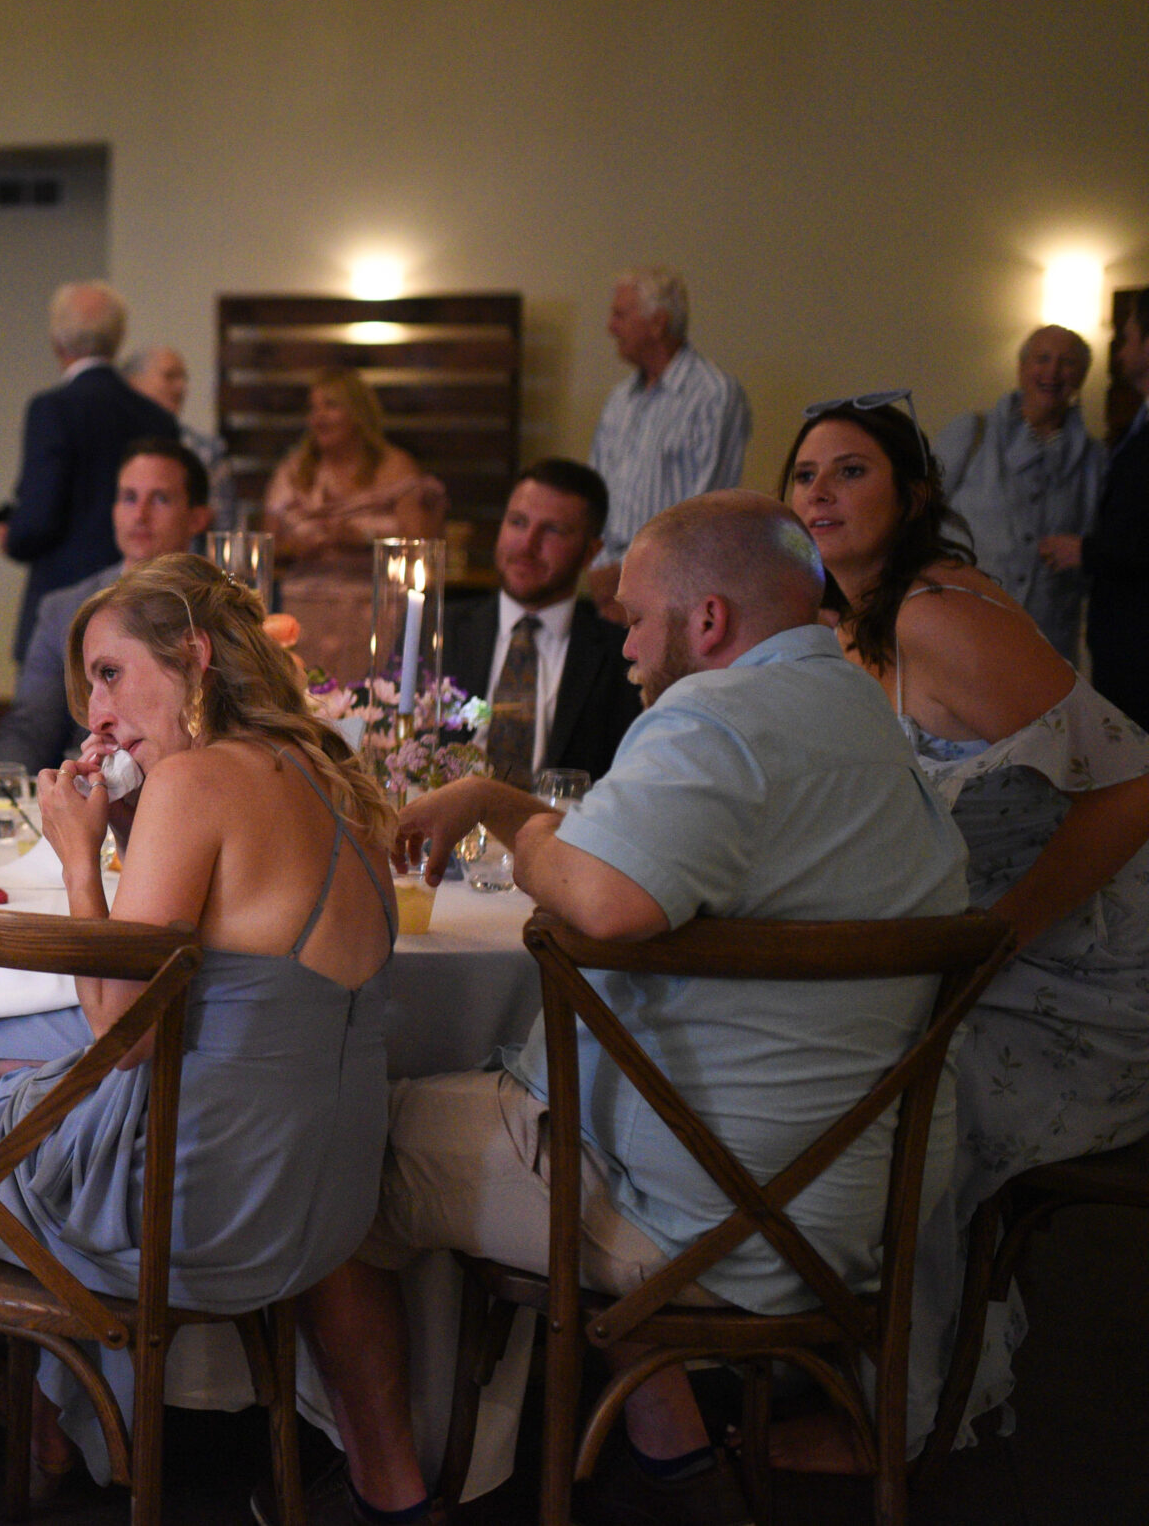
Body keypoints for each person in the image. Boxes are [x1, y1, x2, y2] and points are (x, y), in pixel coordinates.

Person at [299, 491, 968, 1526]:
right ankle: (673, 1460)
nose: (625, 647)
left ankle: (388, 1489)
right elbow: (652, 848)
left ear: (707, 621)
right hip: (833, 1209)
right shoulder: (862, 720)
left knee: (321, 1150)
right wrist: (492, 800)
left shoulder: (709, 717)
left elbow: (610, 899)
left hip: (683, 1215)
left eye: (635, 618)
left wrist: (521, 849)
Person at [0, 553, 394, 1490]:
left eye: (111, 673)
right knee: (29, 1088)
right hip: (327, 1207)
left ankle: (8, 1416)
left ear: (195, 657)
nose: (95, 712)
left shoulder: (198, 782)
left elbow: (120, 1024)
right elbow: (212, 942)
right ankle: (54, 1415)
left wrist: (80, 856)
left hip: (199, 1215)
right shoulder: (335, 776)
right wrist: (128, 825)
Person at [775, 395, 1149, 1465]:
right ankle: (791, 1342)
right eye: (804, 476)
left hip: (1087, 962)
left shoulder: (938, 613)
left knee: (906, 1089)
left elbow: (1130, 786)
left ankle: (899, 1405)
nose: (819, 493)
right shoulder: (838, 630)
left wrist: (997, 935)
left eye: (850, 471)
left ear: (914, 496)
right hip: (985, 947)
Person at [0, 438, 212, 772]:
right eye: (128, 498)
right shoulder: (63, 609)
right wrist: (1, 789)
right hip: (95, 790)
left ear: (197, 517)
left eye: (161, 499)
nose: (140, 515)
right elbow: (30, 728)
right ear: (113, 510)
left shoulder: (216, 606)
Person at [0, 281, 179, 665]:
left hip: (64, 609)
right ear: (118, 338)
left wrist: (13, 536)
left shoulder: (53, 409)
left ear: (57, 341)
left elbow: (38, 518)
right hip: (142, 603)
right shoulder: (157, 417)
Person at [439, 458, 639, 788]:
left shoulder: (622, 656)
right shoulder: (439, 631)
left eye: (553, 530)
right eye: (517, 522)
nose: (527, 545)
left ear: (591, 552)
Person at [584, 267, 751, 620]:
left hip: (673, 595)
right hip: (605, 592)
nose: (610, 327)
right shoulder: (619, 400)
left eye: (620, 314)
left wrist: (631, 576)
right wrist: (598, 572)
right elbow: (593, 495)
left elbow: (704, 511)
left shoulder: (714, 395)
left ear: (657, 322)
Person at [932, 325, 1101, 662]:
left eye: (1067, 363)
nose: (1052, 372)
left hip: (1048, 643)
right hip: (964, 629)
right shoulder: (973, 432)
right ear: (1022, 369)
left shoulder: (1094, 459)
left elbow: (1094, 546)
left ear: (1081, 376)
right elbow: (918, 512)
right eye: (1042, 359)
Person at [264, 369, 444, 682]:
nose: (318, 417)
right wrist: (299, 547)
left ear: (359, 412)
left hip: (376, 609)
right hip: (304, 612)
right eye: (313, 408)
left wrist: (363, 538)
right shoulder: (294, 471)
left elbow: (421, 546)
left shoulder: (395, 467)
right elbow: (266, 548)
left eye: (330, 406)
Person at [1042, 304, 1149, 728]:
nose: (1119, 349)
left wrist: (1088, 551)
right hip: (1121, 642)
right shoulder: (1135, 423)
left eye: (1128, 337)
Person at [125, 344, 238, 526]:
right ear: (134, 383)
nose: (181, 387)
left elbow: (224, 525)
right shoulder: (112, 444)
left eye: (183, 378)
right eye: (170, 376)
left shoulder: (207, 451)